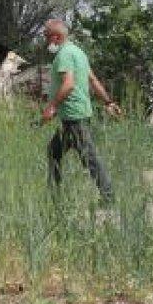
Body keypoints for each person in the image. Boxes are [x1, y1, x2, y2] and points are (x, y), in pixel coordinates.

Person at [42, 19, 121, 204]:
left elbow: (68, 84)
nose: (46, 40)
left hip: (73, 116)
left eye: (46, 36)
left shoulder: (64, 54)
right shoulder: (79, 52)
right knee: (54, 152)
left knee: (89, 158)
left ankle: (108, 197)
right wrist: (108, 102)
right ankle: (54, 197)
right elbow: (93, 80)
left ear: (56, 36)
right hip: (74, 116)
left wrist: (51, 107)